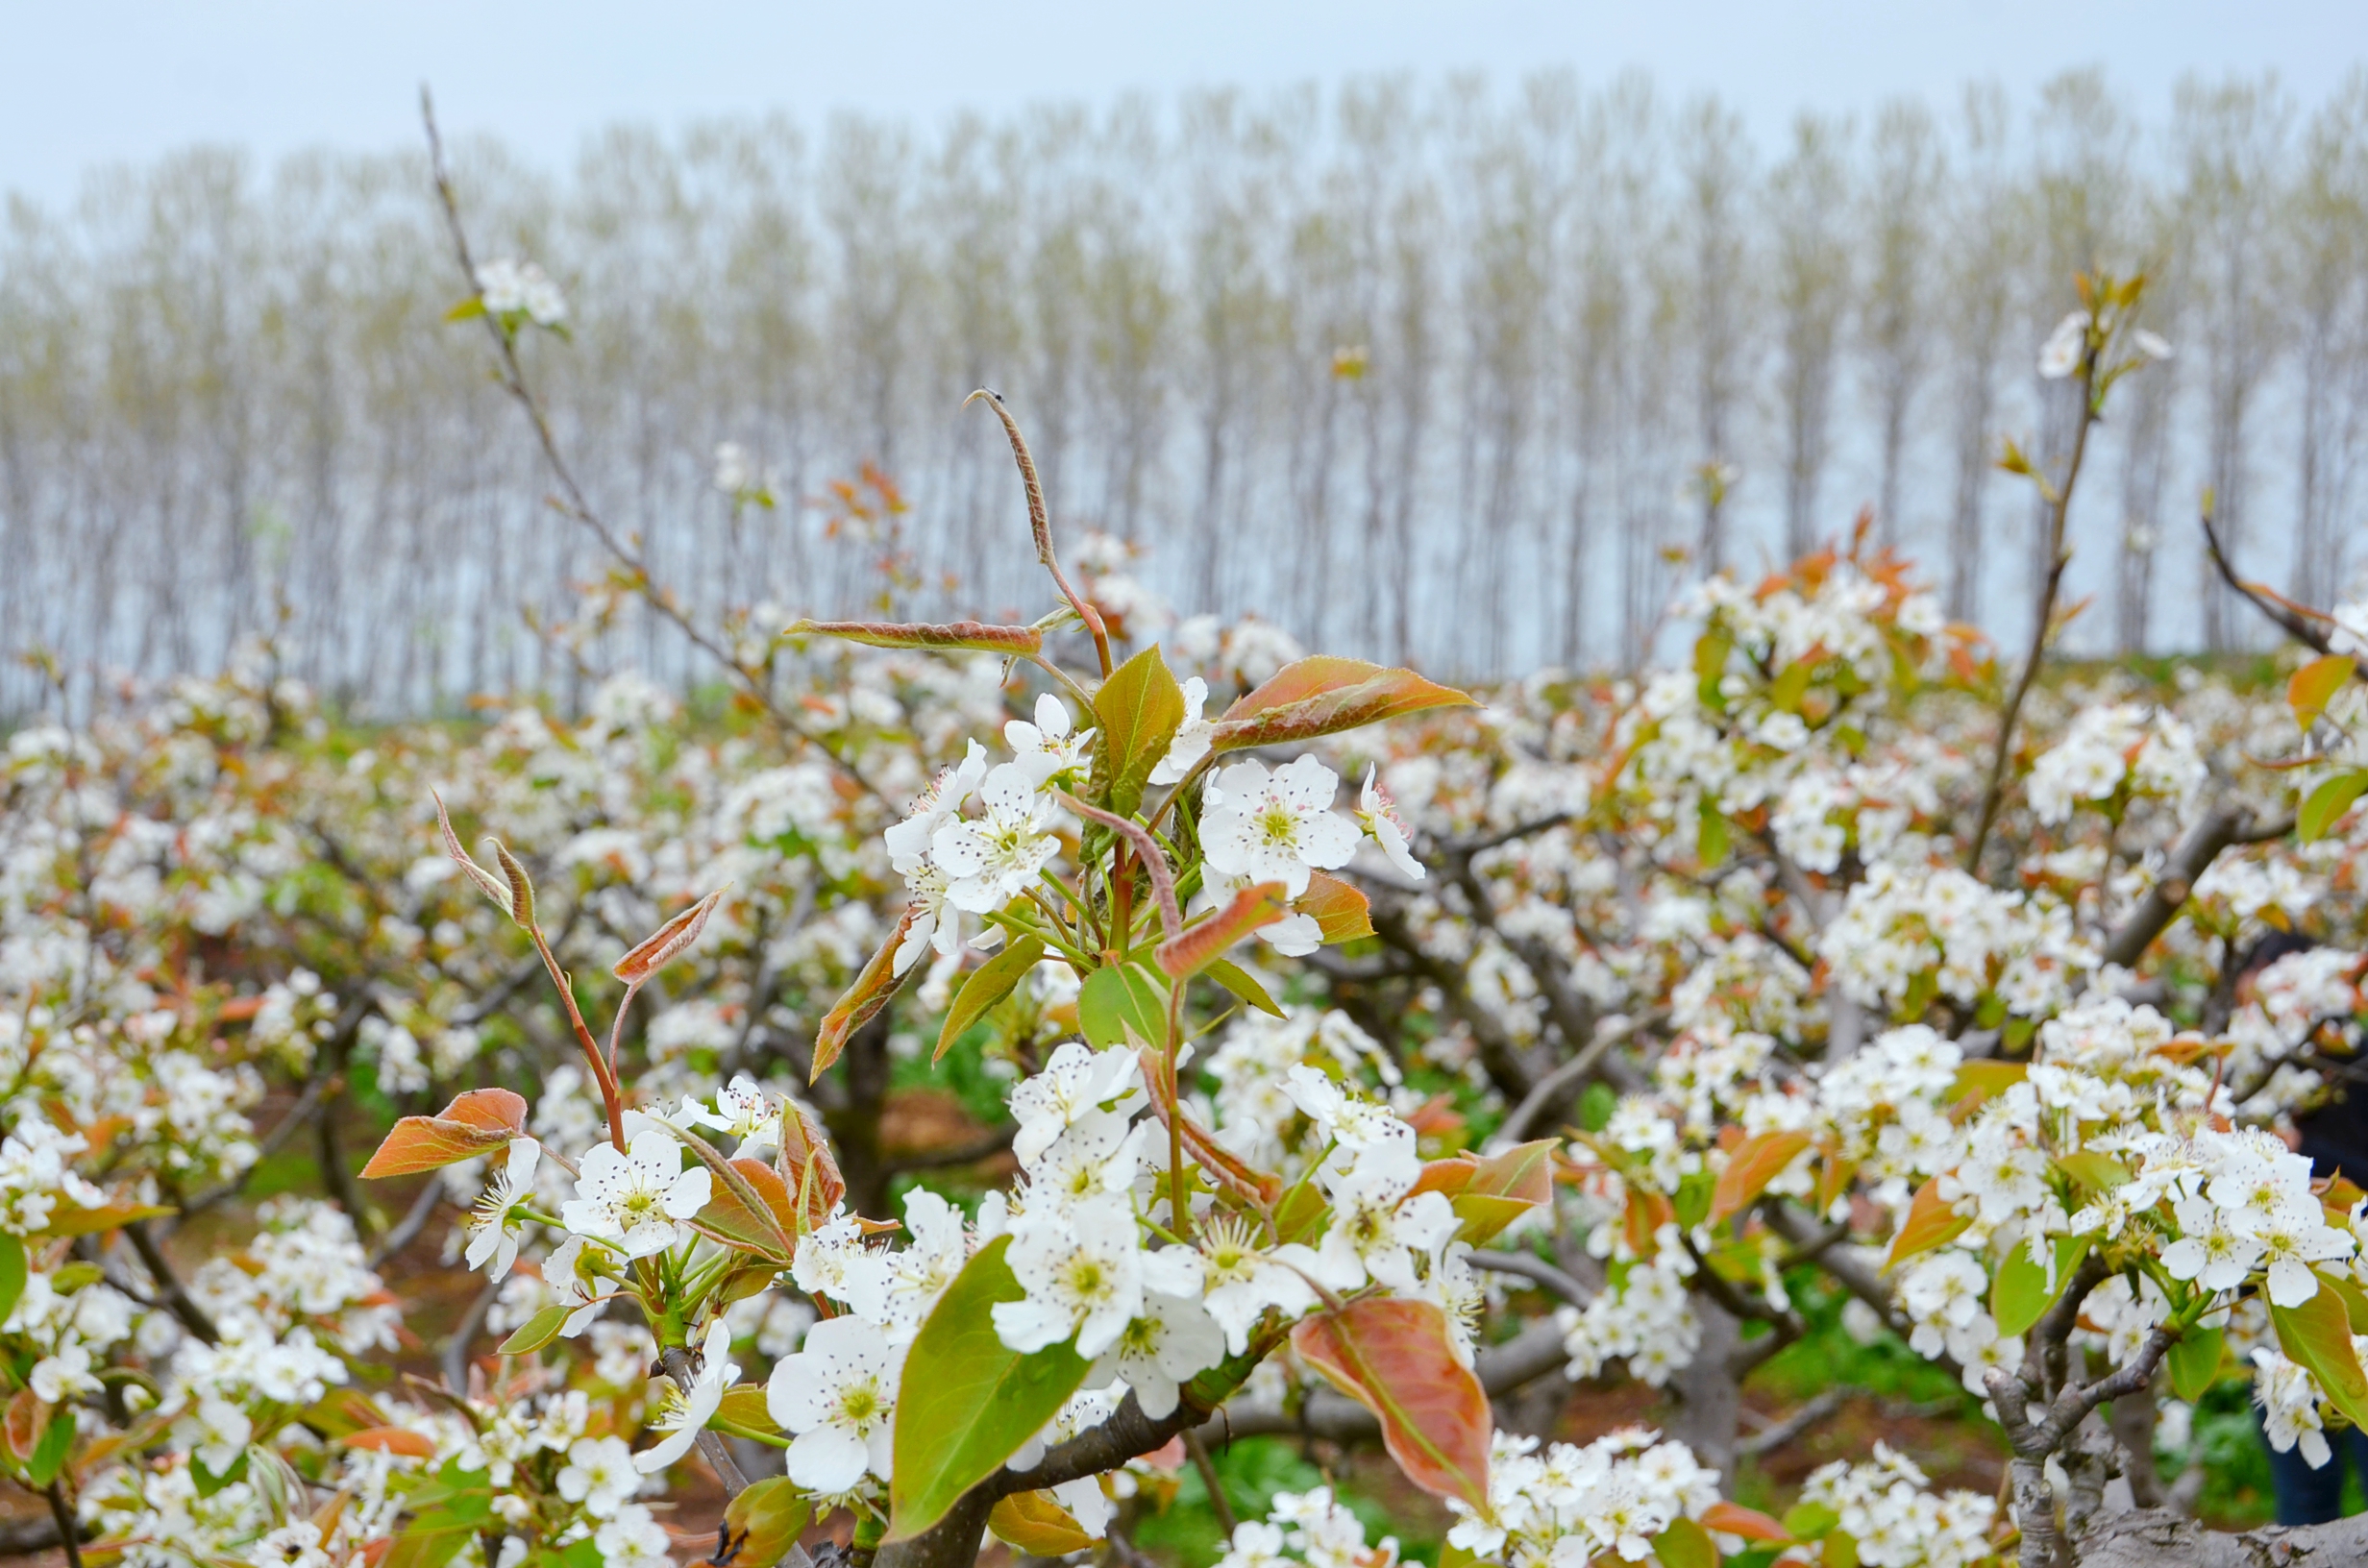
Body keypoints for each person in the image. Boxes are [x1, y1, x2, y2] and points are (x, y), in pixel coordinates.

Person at [2236, 932, 2368, 1524]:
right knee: (2303, 1504)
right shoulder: (2252, 1070)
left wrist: (2303, 1150)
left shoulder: (2352, 1058)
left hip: (2357, 1300)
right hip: (2277, 1314)